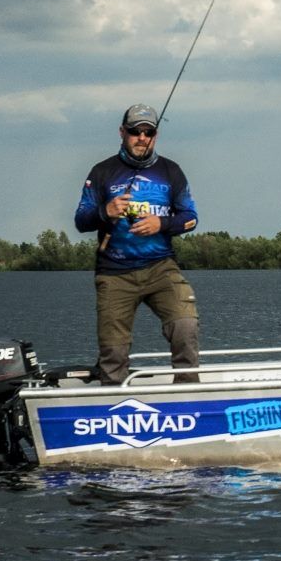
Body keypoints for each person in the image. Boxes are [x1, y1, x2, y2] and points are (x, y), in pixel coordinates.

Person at [74, 103, 201, 384]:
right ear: (122, 132)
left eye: (149, 132)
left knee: (185, 325)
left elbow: (191, 218)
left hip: (161, 268)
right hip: (114, 272)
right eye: (135, 131)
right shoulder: (101, 172)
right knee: (113, 351)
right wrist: (104, 212)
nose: (142, 138)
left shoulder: (171, 171)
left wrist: (162, 224)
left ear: (155, 135)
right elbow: (81, 221)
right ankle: (112, 404)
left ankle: (188, 394)